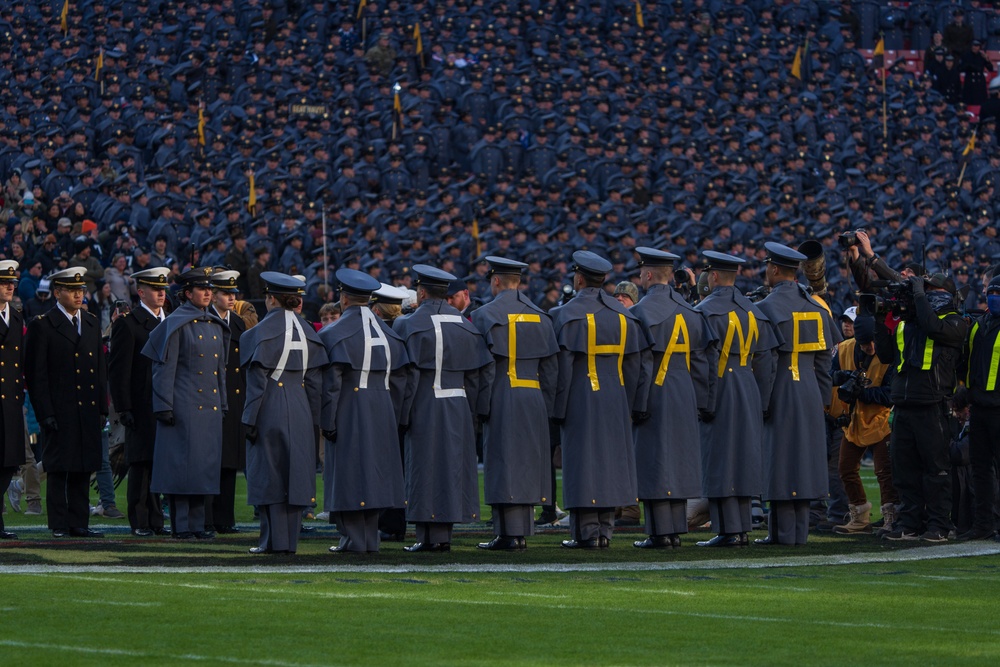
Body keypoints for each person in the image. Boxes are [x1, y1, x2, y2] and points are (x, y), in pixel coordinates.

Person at [393, 264, 493, 552]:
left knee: (423, 467)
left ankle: (426, 535)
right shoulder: (467, 326)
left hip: (424, 402)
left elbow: (407, 376)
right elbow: (480, 374)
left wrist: (402, 413)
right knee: (452, 467)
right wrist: (473, 409)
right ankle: (442, 535)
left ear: (421, 292)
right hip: (458, 402)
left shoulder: (406, 324)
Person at [550, 251, 646, 549]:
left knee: (582, 462)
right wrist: (628, 403)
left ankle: (586, 532)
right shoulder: (624, 316)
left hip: (580, 396)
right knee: (609, 462)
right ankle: (605, 529)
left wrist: (557, 408)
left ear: (578, 278)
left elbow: (561, 369)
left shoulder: (565, 314)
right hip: (615, 396)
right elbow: (635, 367)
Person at [630, 248, 716, 549]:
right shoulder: (692, 311)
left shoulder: (640, 312)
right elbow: (703, 362)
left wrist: (636, 403)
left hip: (654, 390)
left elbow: (640, 364)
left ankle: (658, 531)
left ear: (649, 275)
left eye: (641, 271)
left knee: (654, 460)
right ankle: (676, 529)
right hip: (685, 391)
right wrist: (702, 400)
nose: (640, 276)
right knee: (679, 459)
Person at [471, 256, 559, 551]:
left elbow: (484, 368)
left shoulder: (484, 314)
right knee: (526, 462)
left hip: (502, 391)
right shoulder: (541, 315)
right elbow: (550, 370)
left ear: (496, 281)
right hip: (533, 393)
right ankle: (522, 530)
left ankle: (507, 532)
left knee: (503, 461)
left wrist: (480, 407)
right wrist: (546, 405)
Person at [874, 273, 969, 542]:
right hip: (904, 405)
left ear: (946, 294)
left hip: (933, 405)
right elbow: (886, 355)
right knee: (904, 470)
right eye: (922, 289)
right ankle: (910, 523)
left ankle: (939, 524)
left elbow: (932, 327)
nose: (924, 293)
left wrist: (917, 295)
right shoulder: (909, 324)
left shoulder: (954, 323)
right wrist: (880, 320)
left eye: (929, 289)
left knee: (936, 470)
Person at [755, 243, 839, 546]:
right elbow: (824, 362)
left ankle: (779, 532)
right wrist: (821, 401)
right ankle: (796, 532)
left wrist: (761, 402)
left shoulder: (765, 308)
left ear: (775, 269)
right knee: (803, 460)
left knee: (779, 459)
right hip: (808, 392)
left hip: (780, 390)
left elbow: (766, 364)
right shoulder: (816, 307)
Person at [320, 269, 409, 553]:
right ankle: (370, 536)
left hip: (349, 408)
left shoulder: (334, 332)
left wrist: (327, 420)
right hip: (382, 407)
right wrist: (393, 413)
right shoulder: (389, 332)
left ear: (343, 299)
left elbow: (332, 383)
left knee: (348, 474)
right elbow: (400, 380)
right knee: (376, 474)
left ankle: (353, 538)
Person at [694, 251, 779, 547]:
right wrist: (762, 399)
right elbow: (767, 361)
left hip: (721, 384)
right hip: (748, 385)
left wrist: (705, 400)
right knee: (743, 458)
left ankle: (728, 529)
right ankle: (741, 527)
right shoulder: (754, 310)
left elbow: (704, 360)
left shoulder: (705, 310)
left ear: (713, 276)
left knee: (719, 457)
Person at [241, 272, 328, 555]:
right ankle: (288, 541)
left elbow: (257, 382)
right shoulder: (309, 331)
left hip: (270, 404)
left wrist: (249, 418)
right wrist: (315, 421)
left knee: (269, 473)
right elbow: (315, 385)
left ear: (270, 298)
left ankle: (271, 541)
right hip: (300, 403)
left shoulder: (258, 332)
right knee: (296, 474)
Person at [141, 267, 228, 540]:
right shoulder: (177, 323)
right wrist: (164, 405)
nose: (207, 293)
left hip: (208, 407)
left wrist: (223, 404)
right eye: (202, 289)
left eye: (209, 289)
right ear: (187, 293)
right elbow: (164, 369)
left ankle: (198, 525)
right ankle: (181, 526)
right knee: (182, 470)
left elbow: (219, 372)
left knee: (202, 470)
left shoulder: (214, 326)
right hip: (183, 407)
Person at [25, 267, 107, 538]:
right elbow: (37, 375)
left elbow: (100, 368)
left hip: (87, 408)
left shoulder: (92, 323)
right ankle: (59, 523)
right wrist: (45, 412)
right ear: (57, 292)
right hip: (60, 409)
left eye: (81, 290)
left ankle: (79, 522)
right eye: (72, 290)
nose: (78, 295)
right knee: (60, 468)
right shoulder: (43, 325)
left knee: (84, 467)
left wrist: (102, 407)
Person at [109, 266, 170, 537]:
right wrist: (124, 408)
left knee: (161, 465)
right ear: (141, 291)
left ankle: (156, 518)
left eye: (163, 289)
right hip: (141, 405)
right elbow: (119, 371)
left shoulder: (170, 321)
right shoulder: (128, 323)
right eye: (155, 289)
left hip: (166, 403)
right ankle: (140, 520)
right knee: (141, 465)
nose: (161, 293)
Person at [830, 315, 899, 535]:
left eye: (872, 342)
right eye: (864, 343)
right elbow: (829, 375)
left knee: (884, 472)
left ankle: (891, 517)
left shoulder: (889, 352)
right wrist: (843, 376)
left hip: (881, 419)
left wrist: (864, 393)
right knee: (845, 468)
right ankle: (859, 515)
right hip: (854, 419)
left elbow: (892, 393)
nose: (869, 347)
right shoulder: (844, 349)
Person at [959, 276, 1000, 540]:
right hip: (980, 409)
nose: (993, 295)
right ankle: (984, 524)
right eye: (991, 291)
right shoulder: (978, 325)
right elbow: (968, 362)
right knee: (980, 470)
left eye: (998, 292)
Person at [206, 269, 247, 534]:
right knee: (210, 460)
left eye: (233, 293)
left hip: (233, 395)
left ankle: (225, 518)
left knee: (229, 461)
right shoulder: (205, 320)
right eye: (225, 293)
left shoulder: (239, 323)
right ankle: (208, 517)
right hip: (209, 395)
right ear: (213, 296)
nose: (231, 298)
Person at [0, 261, 25, 540]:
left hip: (10, 402)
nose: (10, 287)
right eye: (4, 283)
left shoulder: (16, 318)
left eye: (12, 283)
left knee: (8, 463)